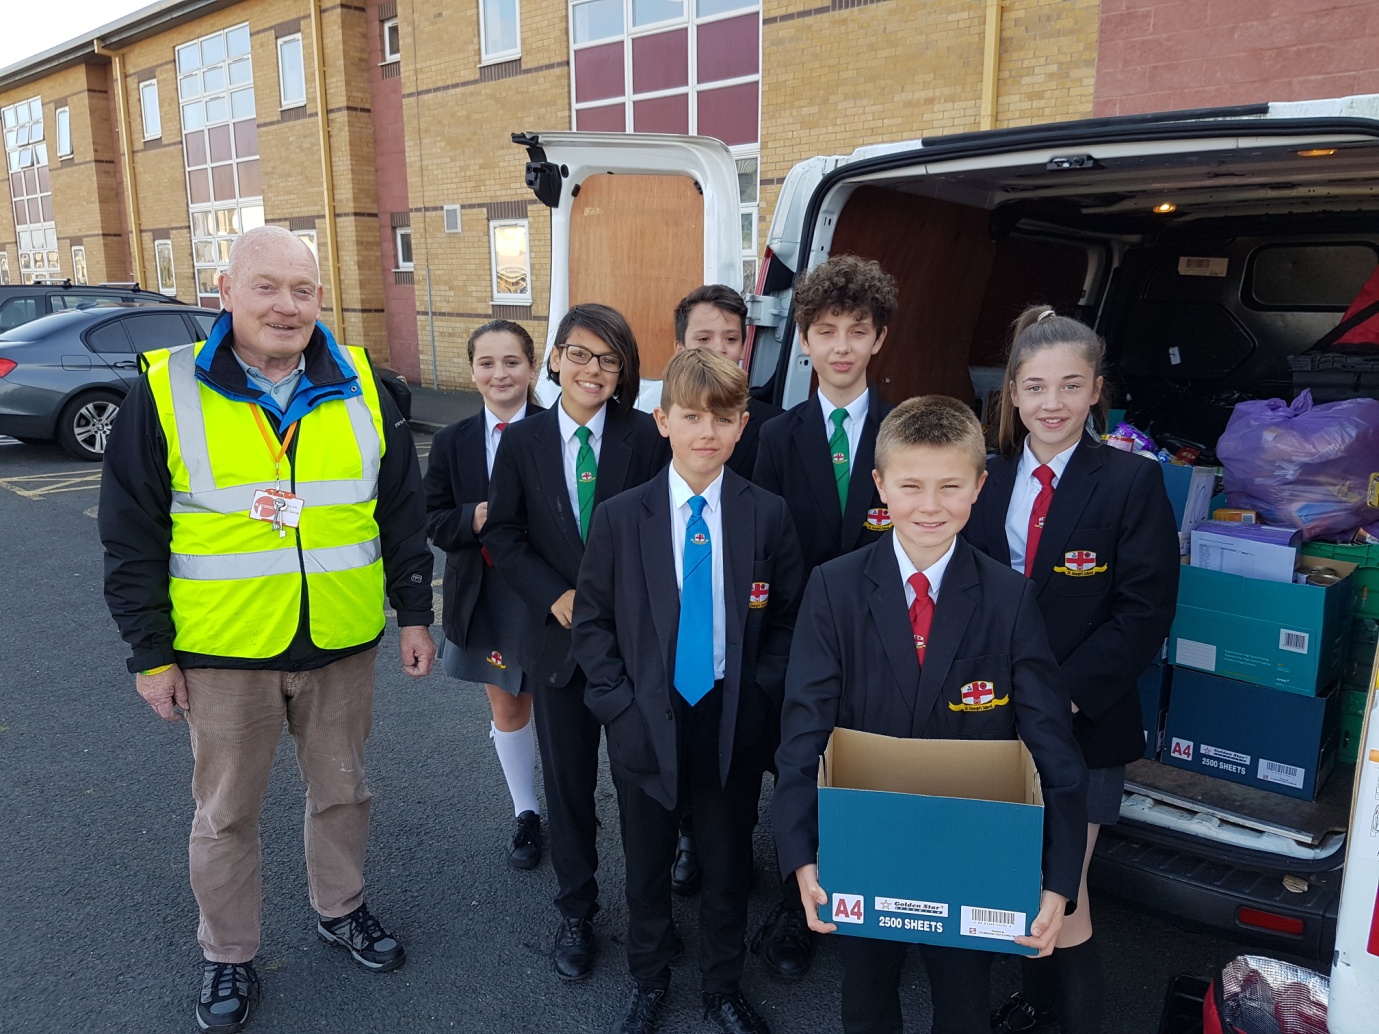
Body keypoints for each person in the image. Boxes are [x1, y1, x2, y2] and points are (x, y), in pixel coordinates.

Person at [99, 225, 436, 1034]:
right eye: (267, 286)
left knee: (345, 791)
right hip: (223, 657)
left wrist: (414, 610)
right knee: (224, 815)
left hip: (341, 646)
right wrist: (150, 656)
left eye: (303, 289)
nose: (287, 306)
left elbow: (401, 510)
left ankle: (341, 908)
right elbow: (130, 534)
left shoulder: (363, 383)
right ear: (225, 290)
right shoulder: (165, 391)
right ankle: (227, 955)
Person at [772, 395, 1089, 1034]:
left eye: (950, 486)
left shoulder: (1009, 597)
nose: (929, 505)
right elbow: (804, 730)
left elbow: (1053, 746)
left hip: (971, 847)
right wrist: (801, 854)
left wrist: (1058, 878)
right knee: (864, 1000)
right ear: (881, 485)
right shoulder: (833, 587)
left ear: (979, 486)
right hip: (864, 839)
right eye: (911, 485)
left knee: (965, 1004)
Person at [572, 348, 805, 1034]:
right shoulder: (621, 517)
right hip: (645, 713)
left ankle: (722, 985)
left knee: (727, 860)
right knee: (645, 861)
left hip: (731, 714)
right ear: (662, 421)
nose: (708, 431)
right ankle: (648, 979)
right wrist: (616, 702)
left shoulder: (767, 515)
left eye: (724, 418)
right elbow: (591, 622)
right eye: (692, 416)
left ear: (742, 427)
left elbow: (790, 616)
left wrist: (760, 695)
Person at [963, 306, 1179, 1034]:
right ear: (1011, 396)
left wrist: (1061, 699)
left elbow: (1142, 612)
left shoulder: (1129, 481)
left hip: (1082, 722)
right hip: (990, 718)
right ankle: (1035, 999)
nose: (1050, 403)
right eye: (1033, 387)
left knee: (1067, 887)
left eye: (1068, 385)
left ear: (1095, 391)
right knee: (1014, 875)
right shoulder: (981, 481)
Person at [483, 302, 670, 981]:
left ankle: (653, 915)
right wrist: (554, 594)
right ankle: (576, 909)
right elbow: (502, 534)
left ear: (624, 373)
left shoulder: (646, 438)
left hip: (631, 652)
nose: (594, 369)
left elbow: (663, 532)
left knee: (642, 786)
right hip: (557, 652)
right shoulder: (523, 442)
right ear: (556, 358)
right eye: (582, 354)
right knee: (568, 790)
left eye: (610, 359)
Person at [748, 253, 898, 979]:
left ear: (879, 340)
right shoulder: (774, 439)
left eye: (856, 330)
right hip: (799, 645)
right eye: (825, 330)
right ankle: (795, 903)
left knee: (874, 772)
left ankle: (876, 901)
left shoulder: (907, 433)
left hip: (888, 646)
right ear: (802, 340)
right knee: (798, 772)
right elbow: (765, 555)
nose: (840, 346)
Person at [666, 284, 783, 897]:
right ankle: (686, 836)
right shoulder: (669, 428)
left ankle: (731, 840)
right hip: (684, 634)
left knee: (736, 766)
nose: (719, 348)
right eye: (703, 338)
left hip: (746, 623)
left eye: (731, 339)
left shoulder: (768, 426)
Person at [424, 320, 545, 870]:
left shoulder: (560, 430)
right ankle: (528, 813)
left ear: (533, 367)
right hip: (487, 592)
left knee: (563, 704)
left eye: (513, 361)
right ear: (472, 372)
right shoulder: (453, 442)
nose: (501, 373)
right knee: (507, 701)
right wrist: (473, 518)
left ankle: (572, 802)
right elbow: (433, 519)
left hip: (548, 593)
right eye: (488, 363)